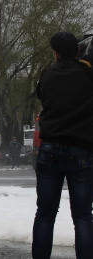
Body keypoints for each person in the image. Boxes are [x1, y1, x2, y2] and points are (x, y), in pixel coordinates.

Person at [32, 31, 93, 258]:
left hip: (49, 151)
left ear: (55, 53)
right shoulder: (88, 74)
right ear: (78, 51)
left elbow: (41, 95)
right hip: (82, 151)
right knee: (83, 216)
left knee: (45, 214)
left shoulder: (46, 74)